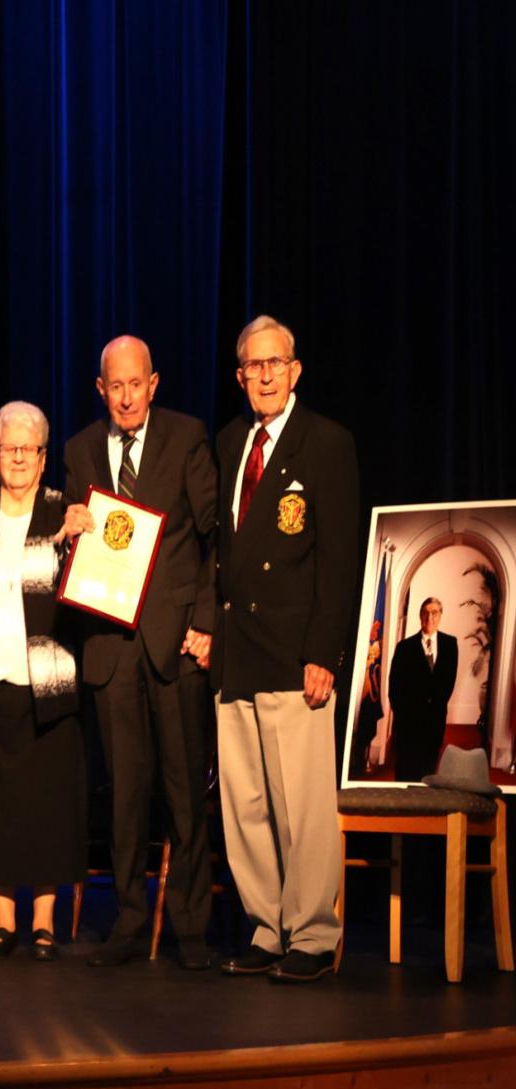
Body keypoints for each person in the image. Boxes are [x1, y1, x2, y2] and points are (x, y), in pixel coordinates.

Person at [62, 336, 217, 970]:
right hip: (110, 643)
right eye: (114, 387)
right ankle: (128, 922)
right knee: (124, 793)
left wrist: (205, 621)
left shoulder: (186, 437)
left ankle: (192, 929)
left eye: (136, 385)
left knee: (184, 794)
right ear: (101, 389)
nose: (126, 397)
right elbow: (76, 550)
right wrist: (65, 533)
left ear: (153, 384)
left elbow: (214, 539)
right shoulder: (77, 451)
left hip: (174, 639)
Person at [214, 315, 359, 984]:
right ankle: (267, 928)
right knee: (245, 807)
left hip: (295, 651)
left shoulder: (325, 443)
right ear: (241, 375)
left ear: (295, 370)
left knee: (301, 805)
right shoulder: (229, 443)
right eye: (254, 366)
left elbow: (338, 560)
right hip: (237, 652)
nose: (265, 376)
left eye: (276, 364)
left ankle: (312, 933)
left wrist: (324, 653)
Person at [0, 401, 85, 962]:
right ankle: (4, 923)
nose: (19, 457)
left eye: (29, 448)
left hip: (48, 685)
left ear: (44, 456)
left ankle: (45, 923)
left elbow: (88, 594)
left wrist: (77, 541)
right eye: (9, 448)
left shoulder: (65, 514)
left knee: (48, 805)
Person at [387, 597, 458, 782]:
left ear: (440, 616)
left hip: (434, 720)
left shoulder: (450, 645)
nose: (430, 617)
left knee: (428, 771)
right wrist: (402, 715)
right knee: (405, 771)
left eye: (434, 612)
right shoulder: (404, 647)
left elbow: (449, 681)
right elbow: (394, 686)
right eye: (426, 612)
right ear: (420, 616)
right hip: (408, 722)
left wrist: (435, 707)